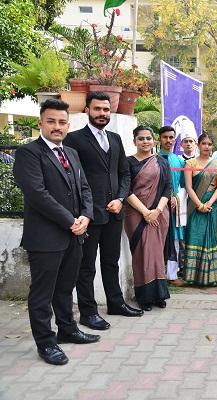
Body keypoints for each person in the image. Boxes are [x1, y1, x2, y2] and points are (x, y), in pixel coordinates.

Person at [13, 99, 98, 365]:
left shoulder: (71, 153)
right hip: (46, 238)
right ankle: (46, 343)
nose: (57, 126)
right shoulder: (28, 153)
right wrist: (70, 220)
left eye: (62, 122)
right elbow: (37, 194)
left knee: (65, 287)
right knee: (42, 294)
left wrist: (86, 215)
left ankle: (67, 329)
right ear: (40, 123)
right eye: (51, 121)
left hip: (74, 234)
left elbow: (84, 187)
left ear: (68, 125)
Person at [63, 92, 142, 331]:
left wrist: (120, 199)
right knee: (86, 266)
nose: (102, 114)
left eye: (106, 110)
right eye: (97, 109)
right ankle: (88, 312)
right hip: (88, 214)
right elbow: (71, 178)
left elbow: (124, 174)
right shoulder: (74, 140)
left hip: (114, 212)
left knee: (111, 261)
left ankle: (116, 303)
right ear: (87, 110)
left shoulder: (116, 139)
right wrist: (83, 210)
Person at [124, 126, 171, 311]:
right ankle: (144, 296)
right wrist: (145, 212)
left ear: (154, 141)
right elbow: (126, 190)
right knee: (142, 253)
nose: (145, 142)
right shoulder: (127, 162)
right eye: (141, 138)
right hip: (136, 214)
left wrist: (157, 211)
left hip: (159, 214)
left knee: (157, 254)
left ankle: (159, 294)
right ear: (134, 141)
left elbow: (167, 188)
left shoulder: (161, 161)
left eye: (148, 138)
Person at [183, 134, 217, 286]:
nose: (206, 146)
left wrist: (209, 203)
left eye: (209, 144)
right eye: (203, 143)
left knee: (210, 239)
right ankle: (193, 277)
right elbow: (188, 187)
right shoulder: (190, 163)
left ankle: (211, 278)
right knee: (195, 237)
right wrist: (200, 205)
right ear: (198, 145)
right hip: (194, 205)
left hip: (212, 206)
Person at [158, 126, 186, 287]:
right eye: (165, 137)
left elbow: (183, 185)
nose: (168, 141)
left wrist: (177, 198)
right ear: (159, 139)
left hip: (176, 207)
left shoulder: (179, 160)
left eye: (171, 137)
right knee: (159, 239)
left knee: (175, 240)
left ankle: (172, 274)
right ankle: (158, 274)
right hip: (159, 206)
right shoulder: (154, 159)